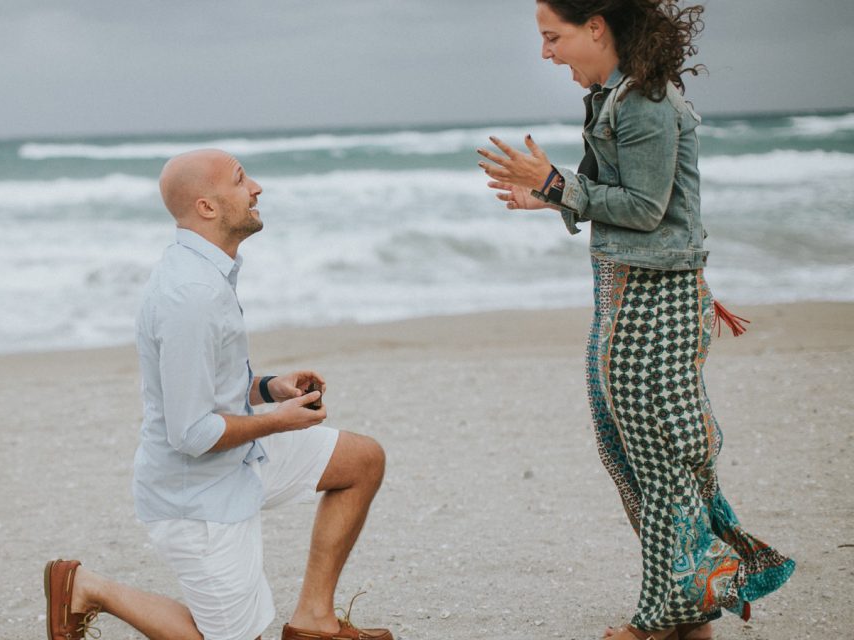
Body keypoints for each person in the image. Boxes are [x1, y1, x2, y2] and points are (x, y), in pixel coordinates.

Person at [476, 2, 794, 639]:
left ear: (596, 25)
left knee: (658, 456)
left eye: (552, 37)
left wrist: (557, 182)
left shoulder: (644, 100)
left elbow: (646, 209)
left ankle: (661, 618)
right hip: (633, 292)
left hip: (656, 298)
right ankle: (692, 605)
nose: (546, 53)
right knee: (634, 450)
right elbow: (620, 198)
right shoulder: (613, 96)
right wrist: (548, 194)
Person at [44, 149, 393, 640]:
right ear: (207, 207)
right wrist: (280, 420)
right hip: (196, 495)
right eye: (240, 179)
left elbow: (208, 385)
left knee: (361, 461)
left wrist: (271, 388)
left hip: (239, 461)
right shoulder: (191, 295)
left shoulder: (209, 272)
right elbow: (191, 432)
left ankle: (314, 621)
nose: (256, 188)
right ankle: (88, 587)